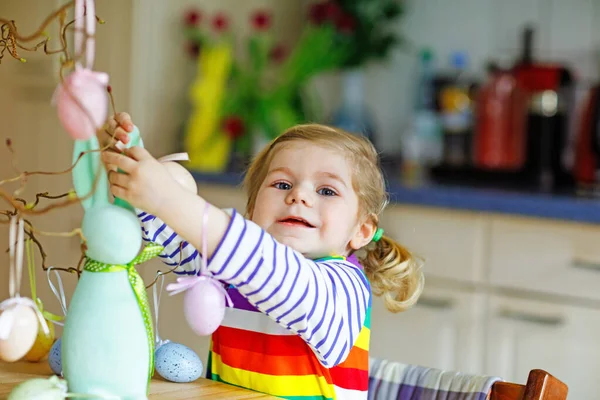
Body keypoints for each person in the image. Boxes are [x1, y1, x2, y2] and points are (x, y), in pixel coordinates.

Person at [101, 113, 424, 399]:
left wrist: (169, 199)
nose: (298, 195)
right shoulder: (227, 267)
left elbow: (277, 275)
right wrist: (130, 163)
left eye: (327, 190)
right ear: (252, 211)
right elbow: (170, 229)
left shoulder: (343, 288)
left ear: (362, 231)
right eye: (282, 184)